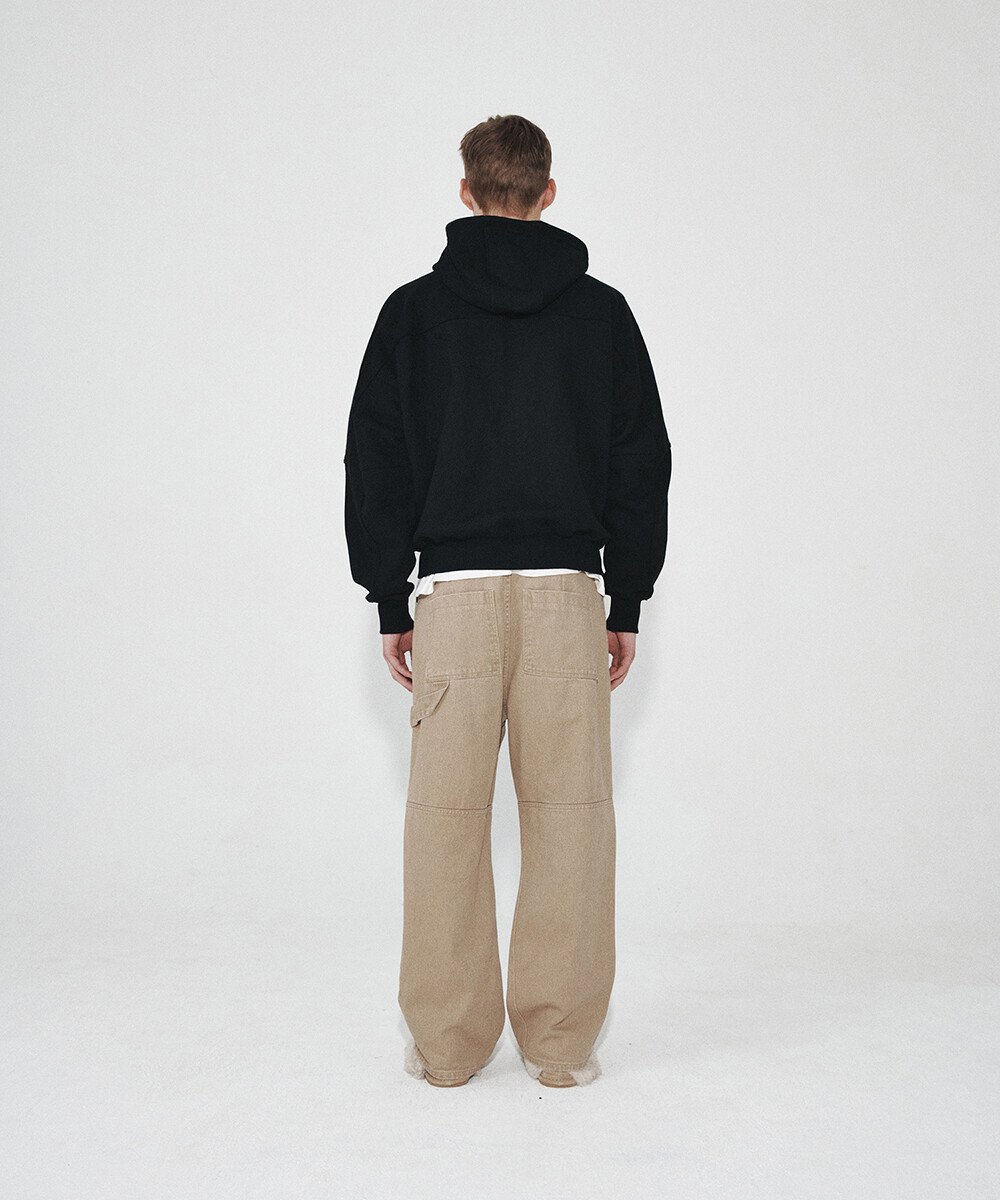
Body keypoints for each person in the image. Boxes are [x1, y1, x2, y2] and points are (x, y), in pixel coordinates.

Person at [343, 114, 671, 1089]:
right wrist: (627, 598)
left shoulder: (413, 314)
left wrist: (389, 597)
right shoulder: (601, 314)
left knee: (444, 820)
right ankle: (561, 1047)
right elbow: (640, 461)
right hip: (568, 595)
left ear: (465, 191)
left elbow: (375, 460)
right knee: (571, 817)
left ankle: (448, 1049)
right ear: (547, 193)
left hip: (453, 596)